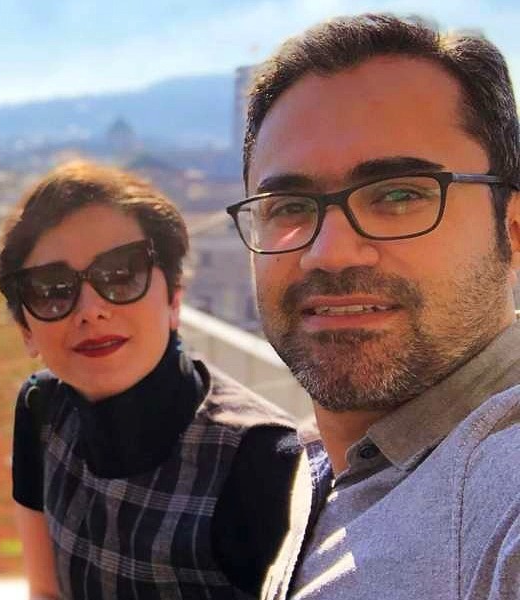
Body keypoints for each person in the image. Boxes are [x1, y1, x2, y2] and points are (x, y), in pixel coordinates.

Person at [226, 13, 520, 600]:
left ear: (511, 231)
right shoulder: (324, 462)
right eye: (289, 206)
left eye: (399, 195)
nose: (329, 253)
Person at [0, 160, 303, 600]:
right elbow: (46, 591)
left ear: (174, 298)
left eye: (122, 275)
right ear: (26, 329)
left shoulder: (263, 462)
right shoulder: (41, 409)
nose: (91, 310)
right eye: (52, 289)